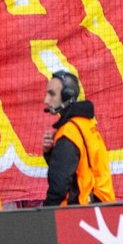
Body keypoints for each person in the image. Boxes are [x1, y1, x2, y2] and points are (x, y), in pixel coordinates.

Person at [42, 71, 113, 207]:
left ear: (66, 95)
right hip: (100, 207)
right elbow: (78, 170)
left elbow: (60, 184)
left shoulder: (69, 132)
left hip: (79, 214)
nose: (46, 100)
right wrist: (52, 152)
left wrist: (45, 213)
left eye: (52, 94)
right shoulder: (85, 124)